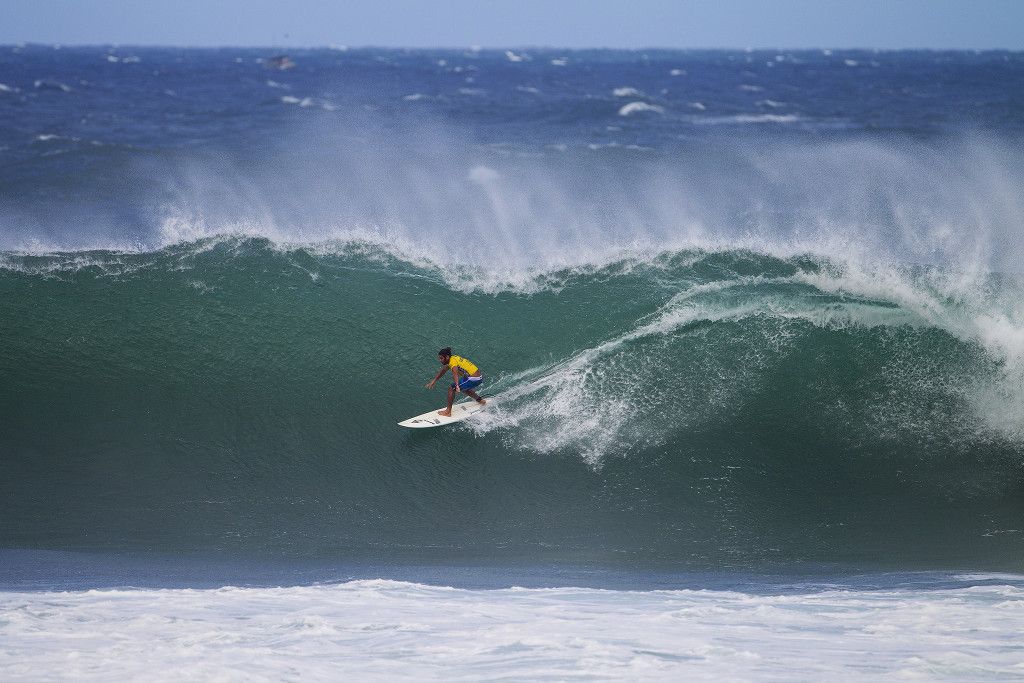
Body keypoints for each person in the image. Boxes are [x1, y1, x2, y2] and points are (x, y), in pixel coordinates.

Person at [425, 347, 487, 417]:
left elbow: (455, 373)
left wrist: (457, 385)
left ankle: (448, 412)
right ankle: (480, 400)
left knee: (451, 388)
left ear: (447, 357)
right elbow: (444, 370)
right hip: (476, 377)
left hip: (473, 378)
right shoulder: (453, 358)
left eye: (441, 358)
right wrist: (434, 380)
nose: (440, 360)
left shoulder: (452, 362)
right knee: (464, 389)